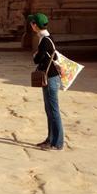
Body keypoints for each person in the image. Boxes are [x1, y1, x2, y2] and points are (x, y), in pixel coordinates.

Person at [30, 12, 64, 151]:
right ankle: (50, 139)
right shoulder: (47, 38)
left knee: (53, 110)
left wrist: (36, 55)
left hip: (50, 77)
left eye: (32, 23)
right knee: (49, 109)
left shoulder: (44, 41)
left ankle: (57, 142)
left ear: (35, 25)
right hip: (50, 77)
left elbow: (37, 59)